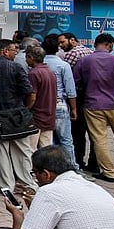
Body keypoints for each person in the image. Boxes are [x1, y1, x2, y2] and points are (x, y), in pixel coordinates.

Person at [73, 33, 114, 183]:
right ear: (109, 44)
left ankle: (109, 173)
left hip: (93, 105)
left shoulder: (84, 61)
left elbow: (75, 83)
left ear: (96, 44)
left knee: (99, 139)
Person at [0, 39, 38, 198]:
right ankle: (27, 182)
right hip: (17, 115)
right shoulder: (16, 67)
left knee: (1, 151)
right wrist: (26, 109)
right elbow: (29, 91)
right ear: (5, 51)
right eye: (14, 50)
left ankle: (6, 185)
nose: (16, 53)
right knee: (23, 150)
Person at [41, 35, 80, 172]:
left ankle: (50, 168)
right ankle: (72, 169)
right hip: (60, 105)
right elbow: (70, 89)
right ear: (57, 48)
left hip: (43, 105)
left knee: (47, 140)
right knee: (66, 140)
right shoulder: (63, 65)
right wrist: (74, 109)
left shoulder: (39, 64)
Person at [59, 32, 97, 174]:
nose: (61, 46)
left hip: (78, 97)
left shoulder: (72, 54)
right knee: (94, 134)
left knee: (78, 134)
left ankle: (79, 162)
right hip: (92, 97)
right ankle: (94, 164)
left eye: (63, 42)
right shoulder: (89, 51)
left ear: (73, 40)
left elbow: (66, 78)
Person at [25, 46, 57, 148]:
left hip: (36, 116)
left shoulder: (33, 73)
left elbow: (32, 96)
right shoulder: (50, 72)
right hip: (49, 115)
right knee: (46, 148)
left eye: (27, 57)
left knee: (31, 148)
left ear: (31, 57)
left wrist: (26, 109)